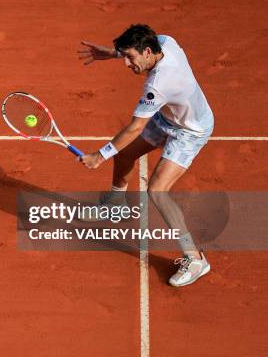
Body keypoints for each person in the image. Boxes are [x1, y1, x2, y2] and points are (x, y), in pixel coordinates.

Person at [77, 24, 214, 287]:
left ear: (148, 52)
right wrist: (113, 53)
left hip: (189, 131)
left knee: (157, 191)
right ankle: (116, 204)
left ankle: (195, 258)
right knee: (126, 154)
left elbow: (136, 126)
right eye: (125, 56)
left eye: (130, 57)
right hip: (167, 118)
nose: (127, 63)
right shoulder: (166, 42)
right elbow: (147, 47)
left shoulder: (158, 84)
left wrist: (99, 155)